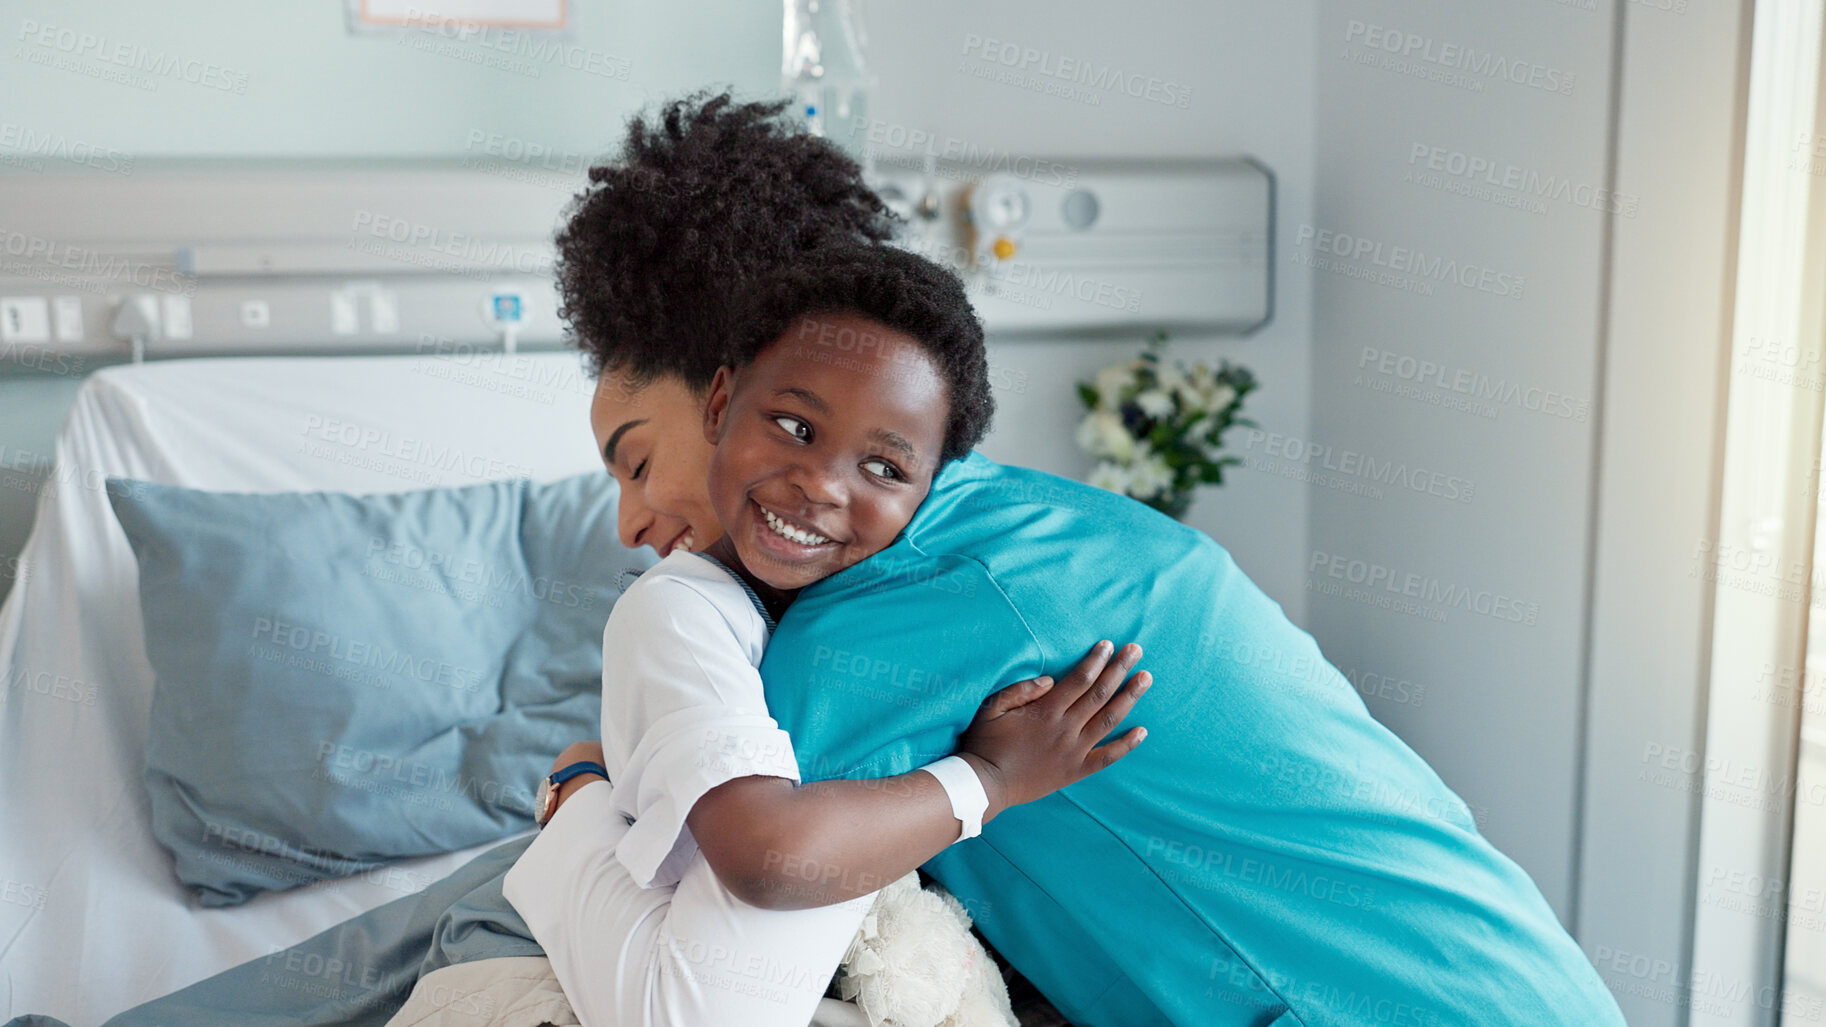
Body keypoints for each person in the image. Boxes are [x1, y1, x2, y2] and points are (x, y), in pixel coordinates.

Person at [532, 91, 1627, 1025]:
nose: (631, 525)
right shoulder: (1017, 527)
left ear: (734, 386)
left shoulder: (882, 623)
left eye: (635, 460)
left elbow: (698, 976)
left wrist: (579, 793)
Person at [506, 244, 1150, 1025]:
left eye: (883, 467)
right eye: (791, 424)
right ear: (720, 407)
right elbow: (757, 871)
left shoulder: (854, 615)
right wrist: (990, 779)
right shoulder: (676, 607)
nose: (820, 482)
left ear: (933, 489)